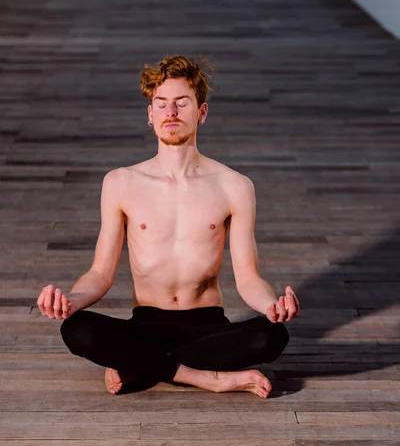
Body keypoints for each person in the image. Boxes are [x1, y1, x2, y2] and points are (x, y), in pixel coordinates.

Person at [37, 54, 300, 399]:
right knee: (77, 330)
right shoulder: (120, 182)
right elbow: (100, 274)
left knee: (273, 335)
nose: (171, 113)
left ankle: (143, 366)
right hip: (145, 325)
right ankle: (209, 377)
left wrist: (270, 306)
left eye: (181, 103)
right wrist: (70, 301)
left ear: (201, 112)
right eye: (161, 105)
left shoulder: (234, 186)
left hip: (207, 327)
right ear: (150, 115)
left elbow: (248, 278)